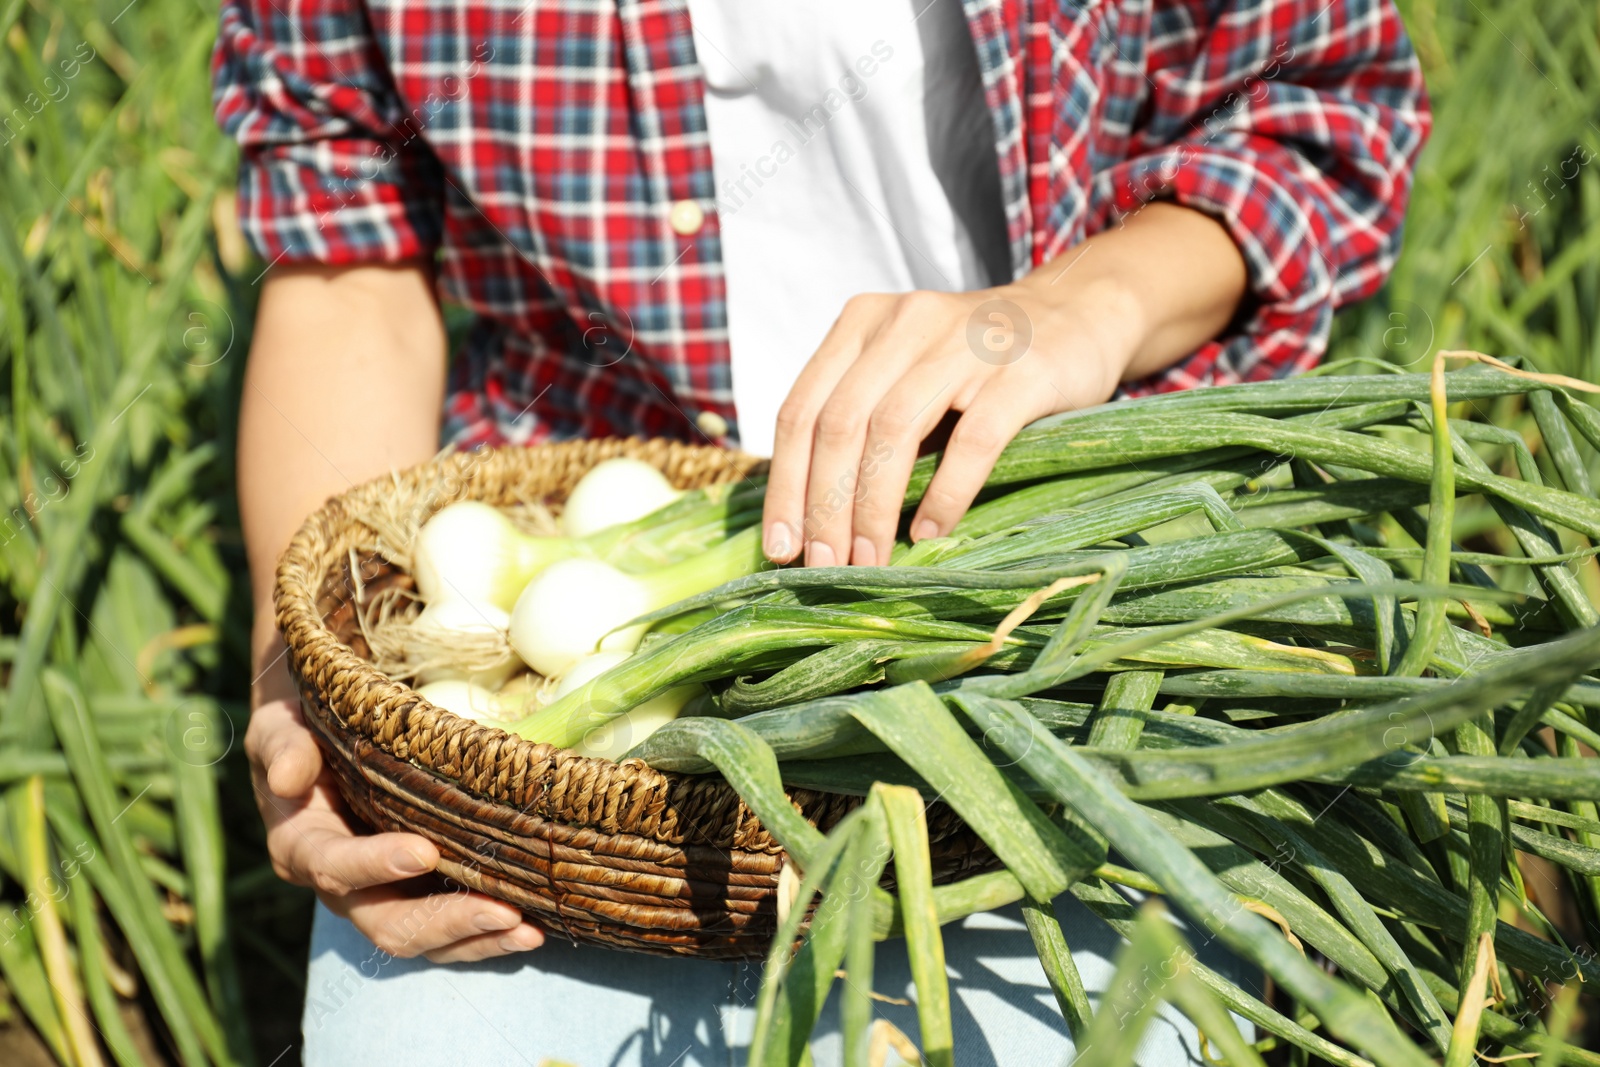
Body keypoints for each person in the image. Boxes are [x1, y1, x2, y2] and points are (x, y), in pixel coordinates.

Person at [214, 0, 1429, 1061]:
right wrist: (320, 675)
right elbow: (349, 260)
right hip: (551, 697)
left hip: (1037, 628)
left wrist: (1079, 304)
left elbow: (1317, 106)